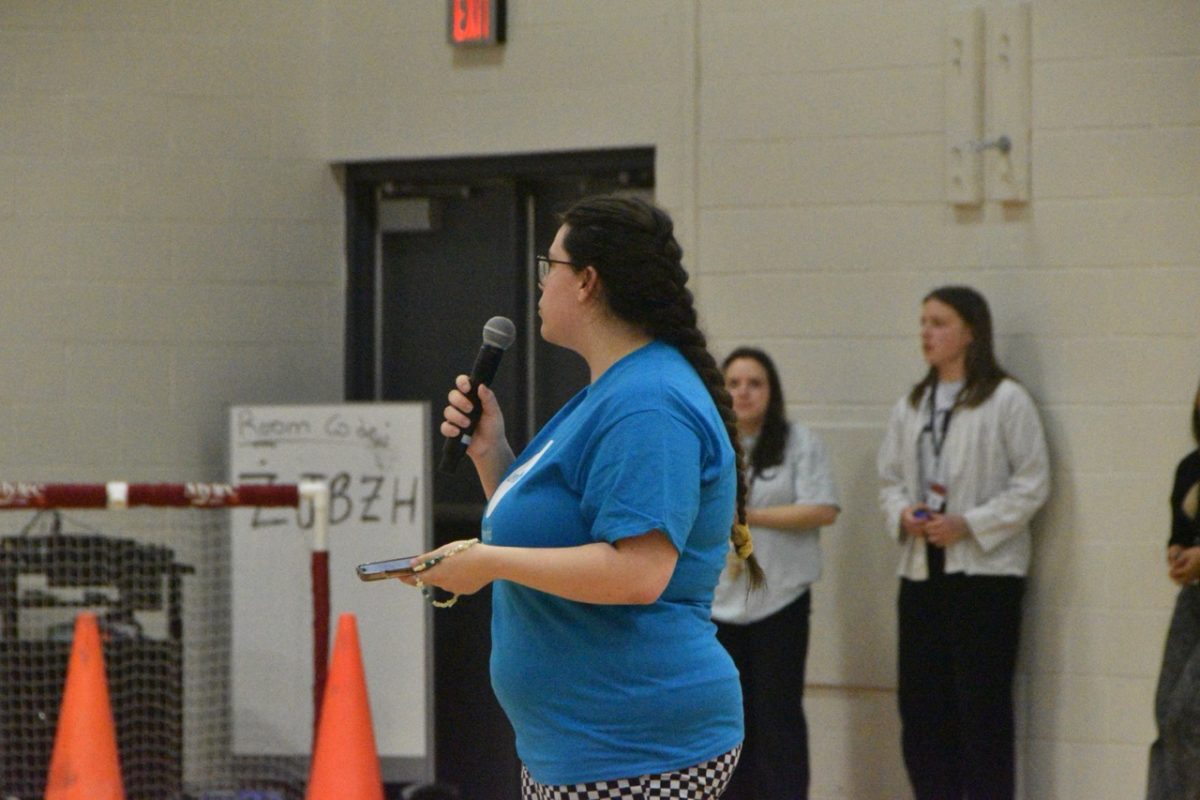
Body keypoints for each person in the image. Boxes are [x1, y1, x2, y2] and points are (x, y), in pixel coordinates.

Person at [402, 194, 763, 800]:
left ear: (588, 282)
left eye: (552, 266)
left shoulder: (648, 401)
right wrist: (492, 452)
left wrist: (486, 563)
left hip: (636, 745)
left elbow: (640, 572)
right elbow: (561, 535)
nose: (541, 285)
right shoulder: (615, 388)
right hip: (582, 744)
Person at [877, 285, 1050, 800]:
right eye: (923, 321)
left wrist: (969, 523)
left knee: (981, 711)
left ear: (970, 332)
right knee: (922, 710)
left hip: (984, 578)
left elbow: (1033, 483)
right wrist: (903, 512)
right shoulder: (913, 404)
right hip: (922, 571)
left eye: (939, 322)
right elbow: (888, 482)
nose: (926, 332)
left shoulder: (1006, 400)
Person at [712, 347, 839, 800]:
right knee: (728, 720)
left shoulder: (798, 442)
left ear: (772, 391)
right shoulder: (710, 440)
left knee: (778, 716)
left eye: (755, 383)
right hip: (718, 605)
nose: (743, 392)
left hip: (780, 599)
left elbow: (822, 508)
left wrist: (750, 518)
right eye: (735, 383)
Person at [1146, 379, 1200, 799]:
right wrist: (1178, 554)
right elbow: (1180, 534)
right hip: (1194, 599)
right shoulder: (1191, 467)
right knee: (1166, 712)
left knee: (1188, 717)